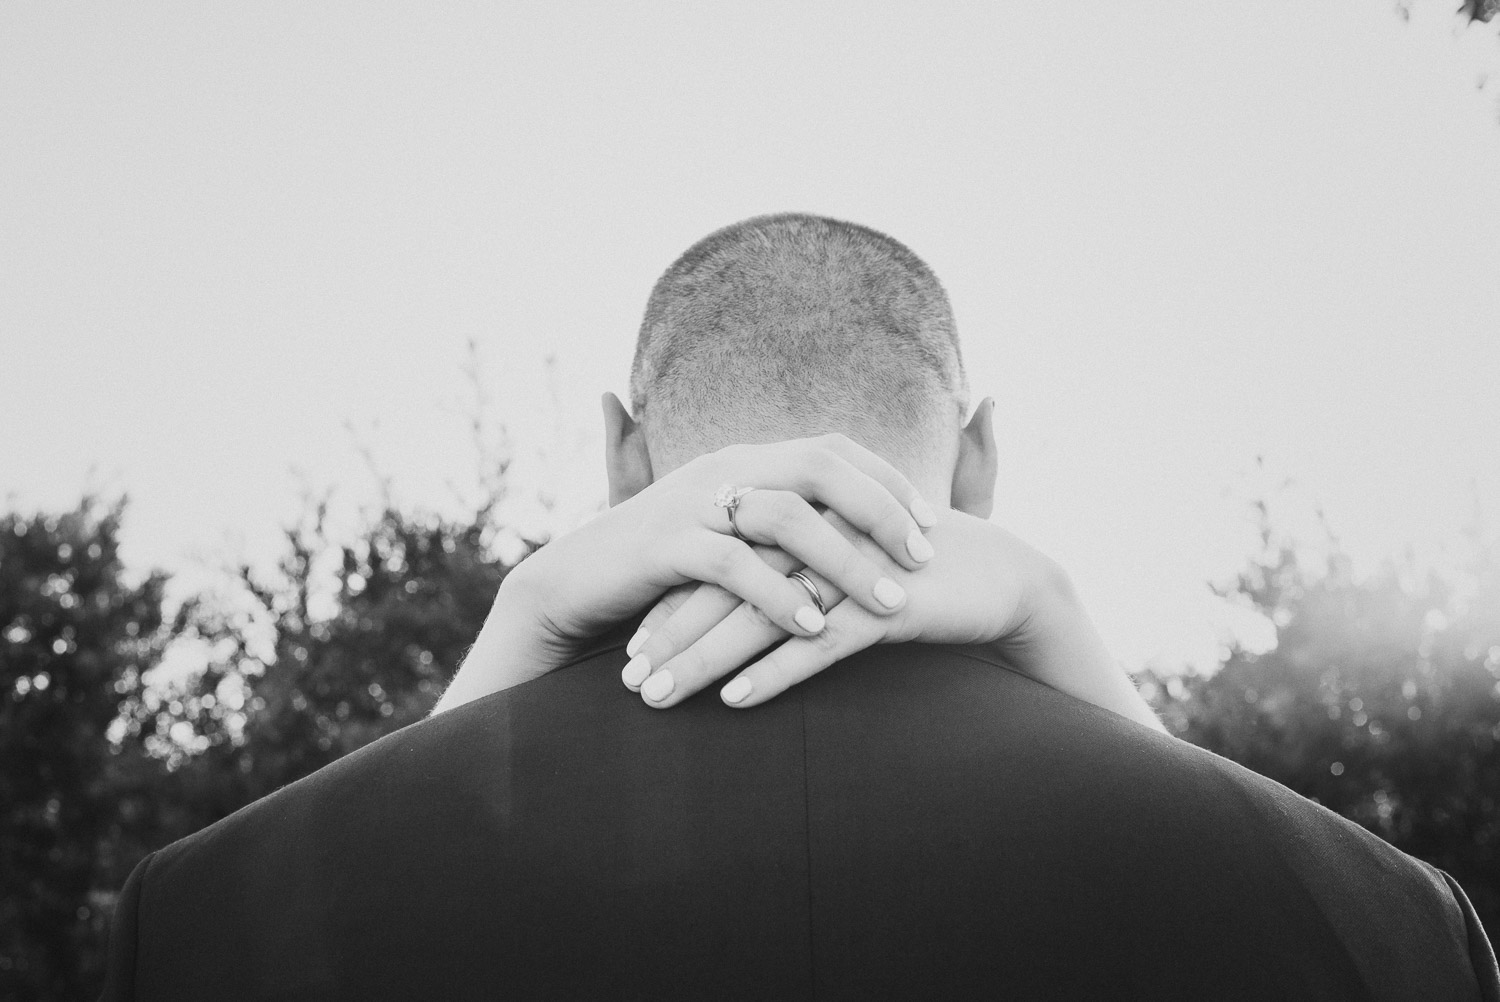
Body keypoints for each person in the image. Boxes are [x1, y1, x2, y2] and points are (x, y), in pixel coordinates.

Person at [102, 215, 1497, 1000]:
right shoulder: (1393, 928)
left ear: (619, 455)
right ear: (983, 457)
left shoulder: (210, 919)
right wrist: (1073, 640)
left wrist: (505, 650)